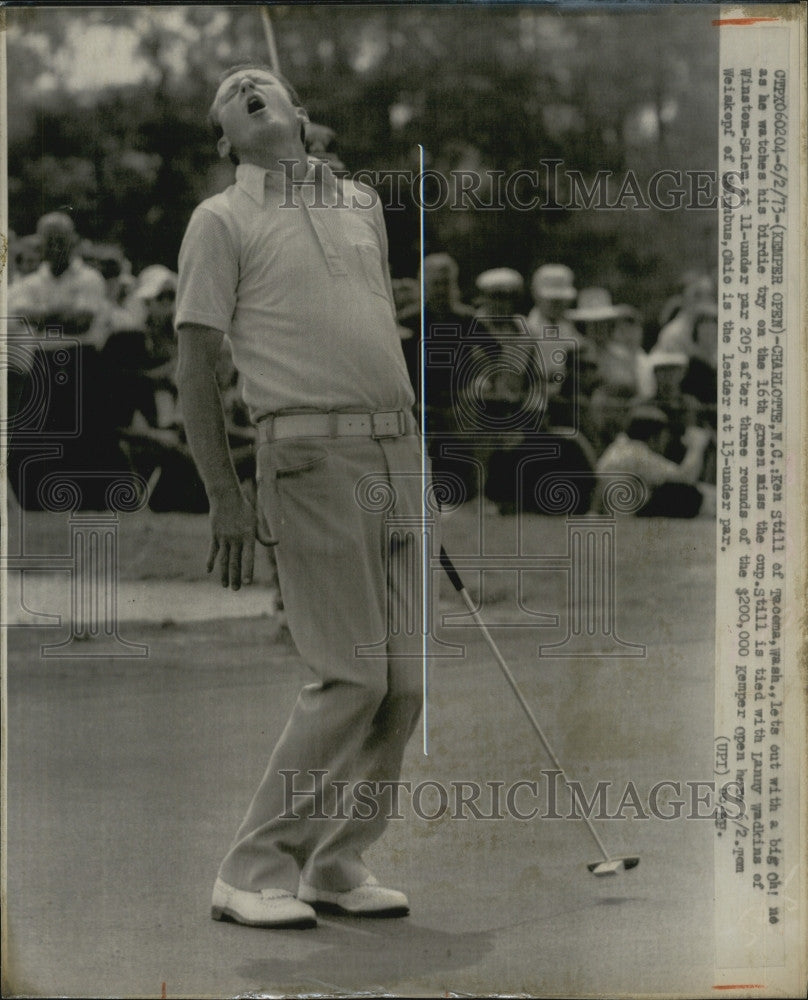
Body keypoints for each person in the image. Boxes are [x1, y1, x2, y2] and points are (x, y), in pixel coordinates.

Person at [175, 63, 430, 930]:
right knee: (351, 676)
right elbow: (195, 367)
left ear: (298, 114)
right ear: (225, 137)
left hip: (398, 452)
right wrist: (224, 491)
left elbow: (371, 330)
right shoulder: (219, 220)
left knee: (403, 686)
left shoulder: (361, 204)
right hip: (306, 460)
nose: (247, 87)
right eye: (230, 92)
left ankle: (337, 860)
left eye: (263, 82)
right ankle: (251, 867)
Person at [594, 405, 711, 517]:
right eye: (664, 437)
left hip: (611, 517)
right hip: (628, 523)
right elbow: (685, 478)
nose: (666, 442)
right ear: (653, 437)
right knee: (688, 495)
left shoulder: (616, 448)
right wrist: (696, 446)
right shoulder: (637, 453)